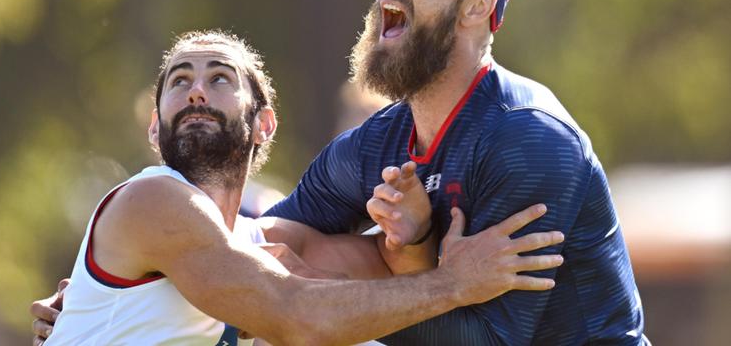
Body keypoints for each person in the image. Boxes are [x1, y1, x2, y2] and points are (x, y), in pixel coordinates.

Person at [260, 0, 649, 345]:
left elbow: (489, 342)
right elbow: (265, 242)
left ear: (476, 8)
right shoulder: (376, 142)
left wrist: (317, 295)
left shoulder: (529, 137)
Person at [34, 30, 564, 345]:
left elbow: (383, 282)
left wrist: (416, 235)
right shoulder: (153, 200)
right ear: (155, 128)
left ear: (264, 124)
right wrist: (457, 285)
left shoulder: (263, 242)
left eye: (220, 78)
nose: (196, 90)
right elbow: (297, 314)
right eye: (179, 81)